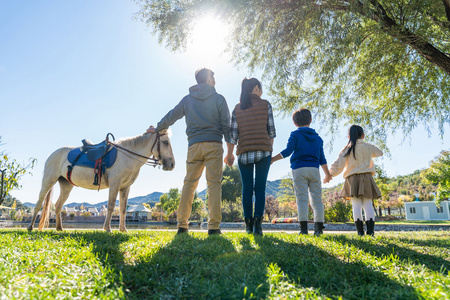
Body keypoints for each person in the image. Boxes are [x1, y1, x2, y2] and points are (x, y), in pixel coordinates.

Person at [148, 68, 231, 235]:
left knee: (189, 184)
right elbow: (226, 127)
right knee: (214, 184)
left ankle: (182, 226)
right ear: (208, 78)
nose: (215, 80)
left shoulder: (187, 100)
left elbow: (171, 116)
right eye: (213, 77)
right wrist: (230, 152)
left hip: (194, 146)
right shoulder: (219, 99)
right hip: (213, 145)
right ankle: (214, 227)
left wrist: (157, 128)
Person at [224, 78, 276, 236]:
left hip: (244, 153)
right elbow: (271, 131)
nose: (262, 92)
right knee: (260, 189)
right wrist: (269, 150)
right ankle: (258, 227)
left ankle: (248, 225)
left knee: (246, 189)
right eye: (261, 88)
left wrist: (230, 154)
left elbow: (233, 135)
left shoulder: (238, 108)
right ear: (256, 88)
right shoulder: (266, 104)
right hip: (263, 152)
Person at [271, 108, 331, 236]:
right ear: (310, 120)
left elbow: (288, 151)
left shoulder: (295, 134)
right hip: (314, 170)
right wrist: (328, 174)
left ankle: (303, 230)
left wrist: (273, 160)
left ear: (294, 122)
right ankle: (319, 228)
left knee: (302, 199)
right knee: (317, 199)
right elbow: (322, 159)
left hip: (299, 169)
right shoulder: (318, 138)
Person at [329, 125, 383, 236]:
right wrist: (366, 146)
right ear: (363, 135)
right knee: (368, 205)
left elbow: (338, 165)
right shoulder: (368, 147)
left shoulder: (347, 150)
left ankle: (360, 232)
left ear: (349, 136)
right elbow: (380, 152)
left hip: (352, 179)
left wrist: (329, 175)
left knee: (356, 206)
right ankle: (371, 232)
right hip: (367, 178)